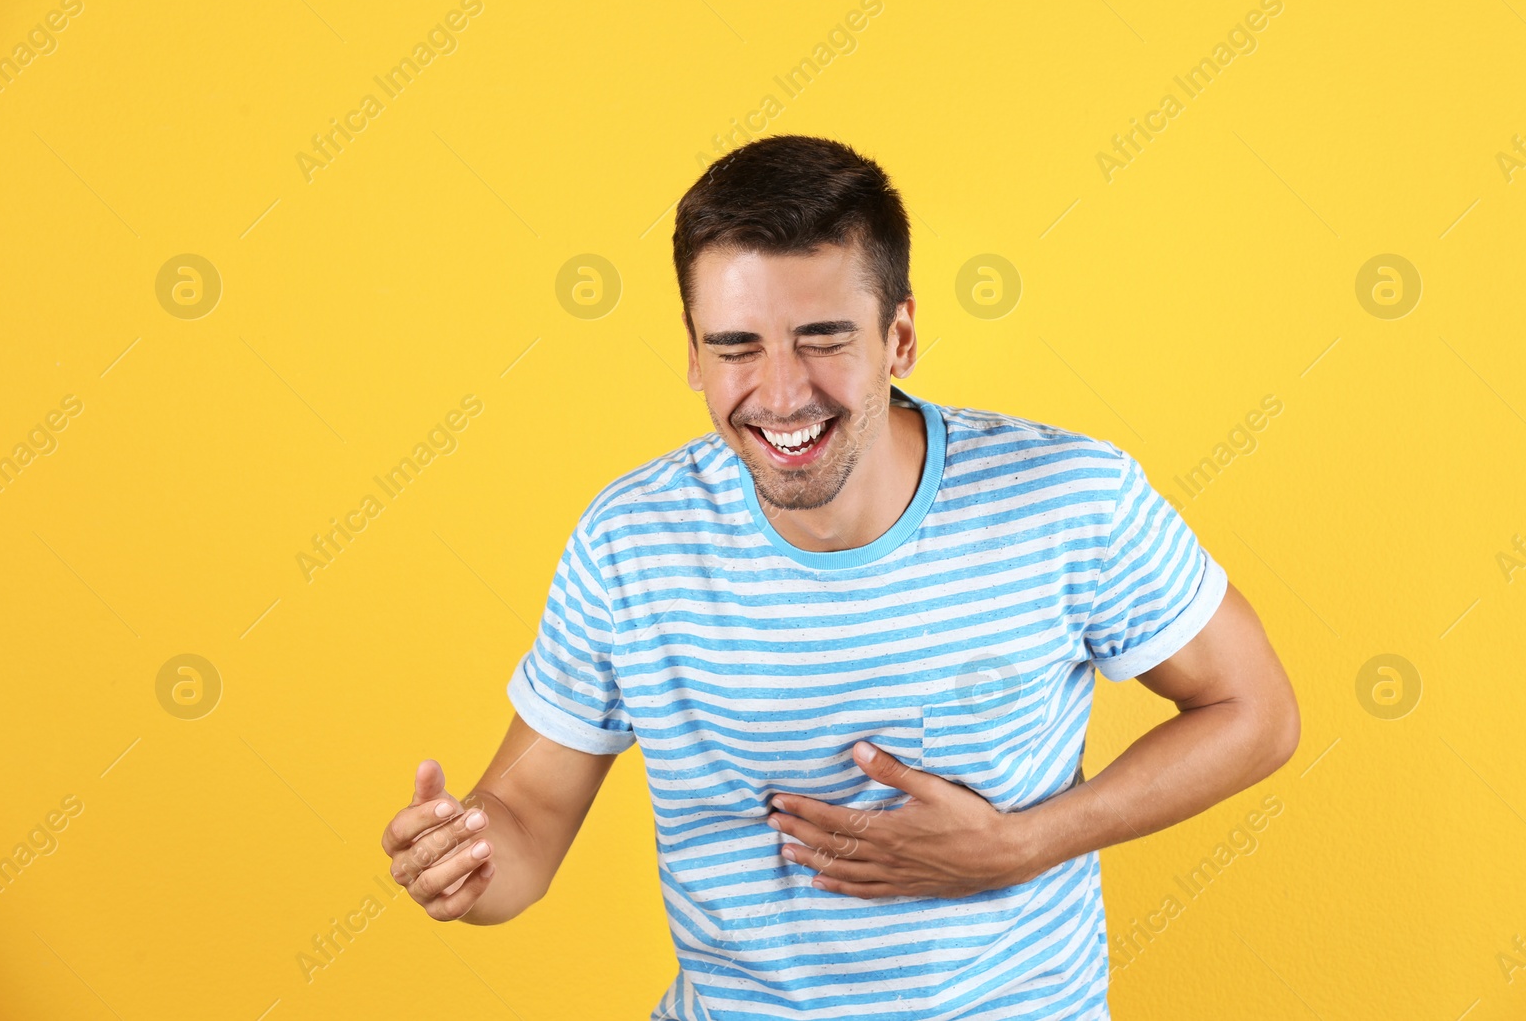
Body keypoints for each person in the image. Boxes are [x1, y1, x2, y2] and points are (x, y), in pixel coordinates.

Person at [380, 134, 1301, 1020]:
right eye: (738, 345)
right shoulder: (630, 542)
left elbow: (1255, 711)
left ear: (899, 337)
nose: (781, 393)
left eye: (823, 337)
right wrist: (465, 858)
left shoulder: (1069, 497)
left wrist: (1022, 844)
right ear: (694, 352)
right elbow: (526, 817)